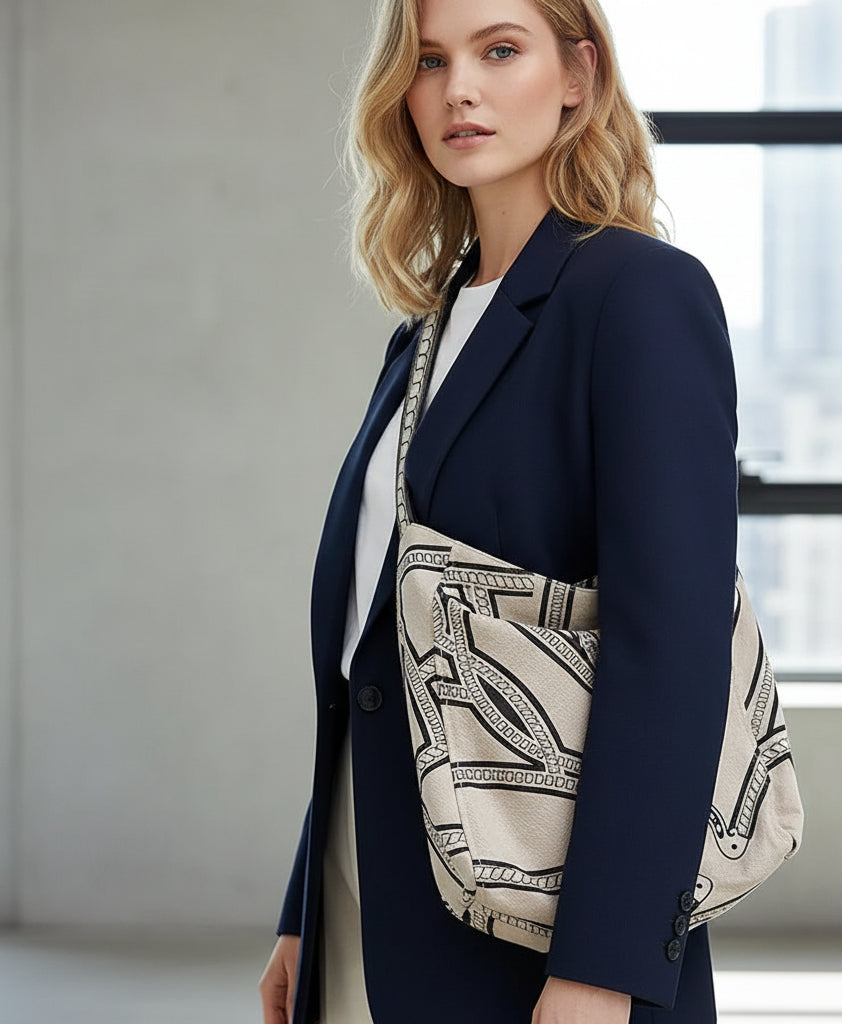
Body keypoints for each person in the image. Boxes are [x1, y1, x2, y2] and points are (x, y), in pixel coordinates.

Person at [259, 0, 738, 1020]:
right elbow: (375, 651)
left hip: (541, 930)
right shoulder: (425, 335)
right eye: (430, 60)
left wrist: (601, 967)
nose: (458, 88)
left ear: (579, 75)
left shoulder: (637, 294)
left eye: (499, 51)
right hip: (373, 895)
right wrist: (307, 906)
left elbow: (670, 652)